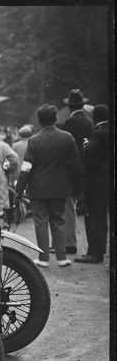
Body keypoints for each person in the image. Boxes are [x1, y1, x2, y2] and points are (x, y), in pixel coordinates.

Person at [14, 104, 82, 267]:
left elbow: (27, 167)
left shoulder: (34, 140)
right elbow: (76, 165)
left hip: (38, 189)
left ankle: (43, 259)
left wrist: (19, 189)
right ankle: (61, 257)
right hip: (61, 188)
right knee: (59, 221)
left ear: (39, 121)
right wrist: (78, 188)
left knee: (41, 222)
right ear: (56, 118)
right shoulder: (67, 137)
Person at [75, 104, 110, 264]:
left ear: (95, 116)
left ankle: (94, 253)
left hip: (96, 183)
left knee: (94, 217)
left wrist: (86, 146)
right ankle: (100, 250)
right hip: (106, 182)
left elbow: (89, 152)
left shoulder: (100, 133)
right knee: (102, 218)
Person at [60, 89, 93, 255]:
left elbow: (68, 149)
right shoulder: (88, 122)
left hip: (71, 169)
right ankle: (68, 241)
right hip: (84, 168)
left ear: (69, 106)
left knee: (68, 207)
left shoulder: (70, 122)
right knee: (71, 207)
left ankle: (69, 243)